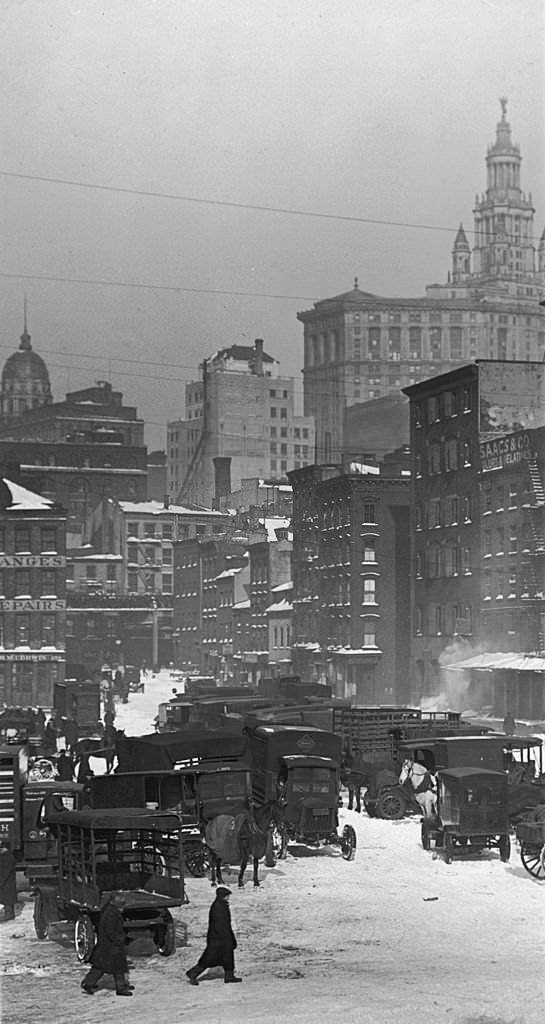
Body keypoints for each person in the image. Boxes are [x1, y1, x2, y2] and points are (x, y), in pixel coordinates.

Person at [186, 887, 241, 985]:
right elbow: (219, 925)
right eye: (227, 896)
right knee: (209, 958)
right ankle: (192, 973)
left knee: (228, 956)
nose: (228, 898)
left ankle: (229, 976)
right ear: (222, 896)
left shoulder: (222, 905)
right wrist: (226, 938)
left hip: (223, 936)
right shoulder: (218, 907)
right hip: (218, 938)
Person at [81, 892, 133, 996]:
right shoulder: (110, 915)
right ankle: (120, 988)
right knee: (114, 967)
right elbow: (111, 932)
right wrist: (121, 939)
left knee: (105, 967)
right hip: (110, 946)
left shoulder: (110, 911)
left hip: (107, 946)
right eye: (122, 905)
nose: (123, 908)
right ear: (117, 905)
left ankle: (89, 983)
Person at [0, 842, 17, 922]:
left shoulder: (8, 856)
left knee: (8, 899)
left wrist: (1, 880)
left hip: (7, 881)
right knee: (6, 898)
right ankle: (8, 913)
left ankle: (9, 914)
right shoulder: (6, 856)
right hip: (6, 881)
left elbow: (6, 870)